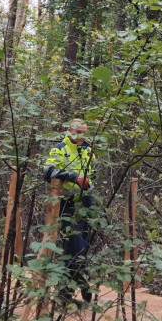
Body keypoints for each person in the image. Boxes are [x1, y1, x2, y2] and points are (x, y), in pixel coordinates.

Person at [43, 118, 96, 304]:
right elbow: (48, 172)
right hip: (67, 204)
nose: (81, 136)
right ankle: (84, 280)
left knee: (78, 247)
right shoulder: (59, 149)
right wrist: (73, 177)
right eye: (78, 132)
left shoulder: (89, 149)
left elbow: (92, 174)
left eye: (84, 132)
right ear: (69, 131)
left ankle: (64, 293)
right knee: (76, 246)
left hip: (86, 203)